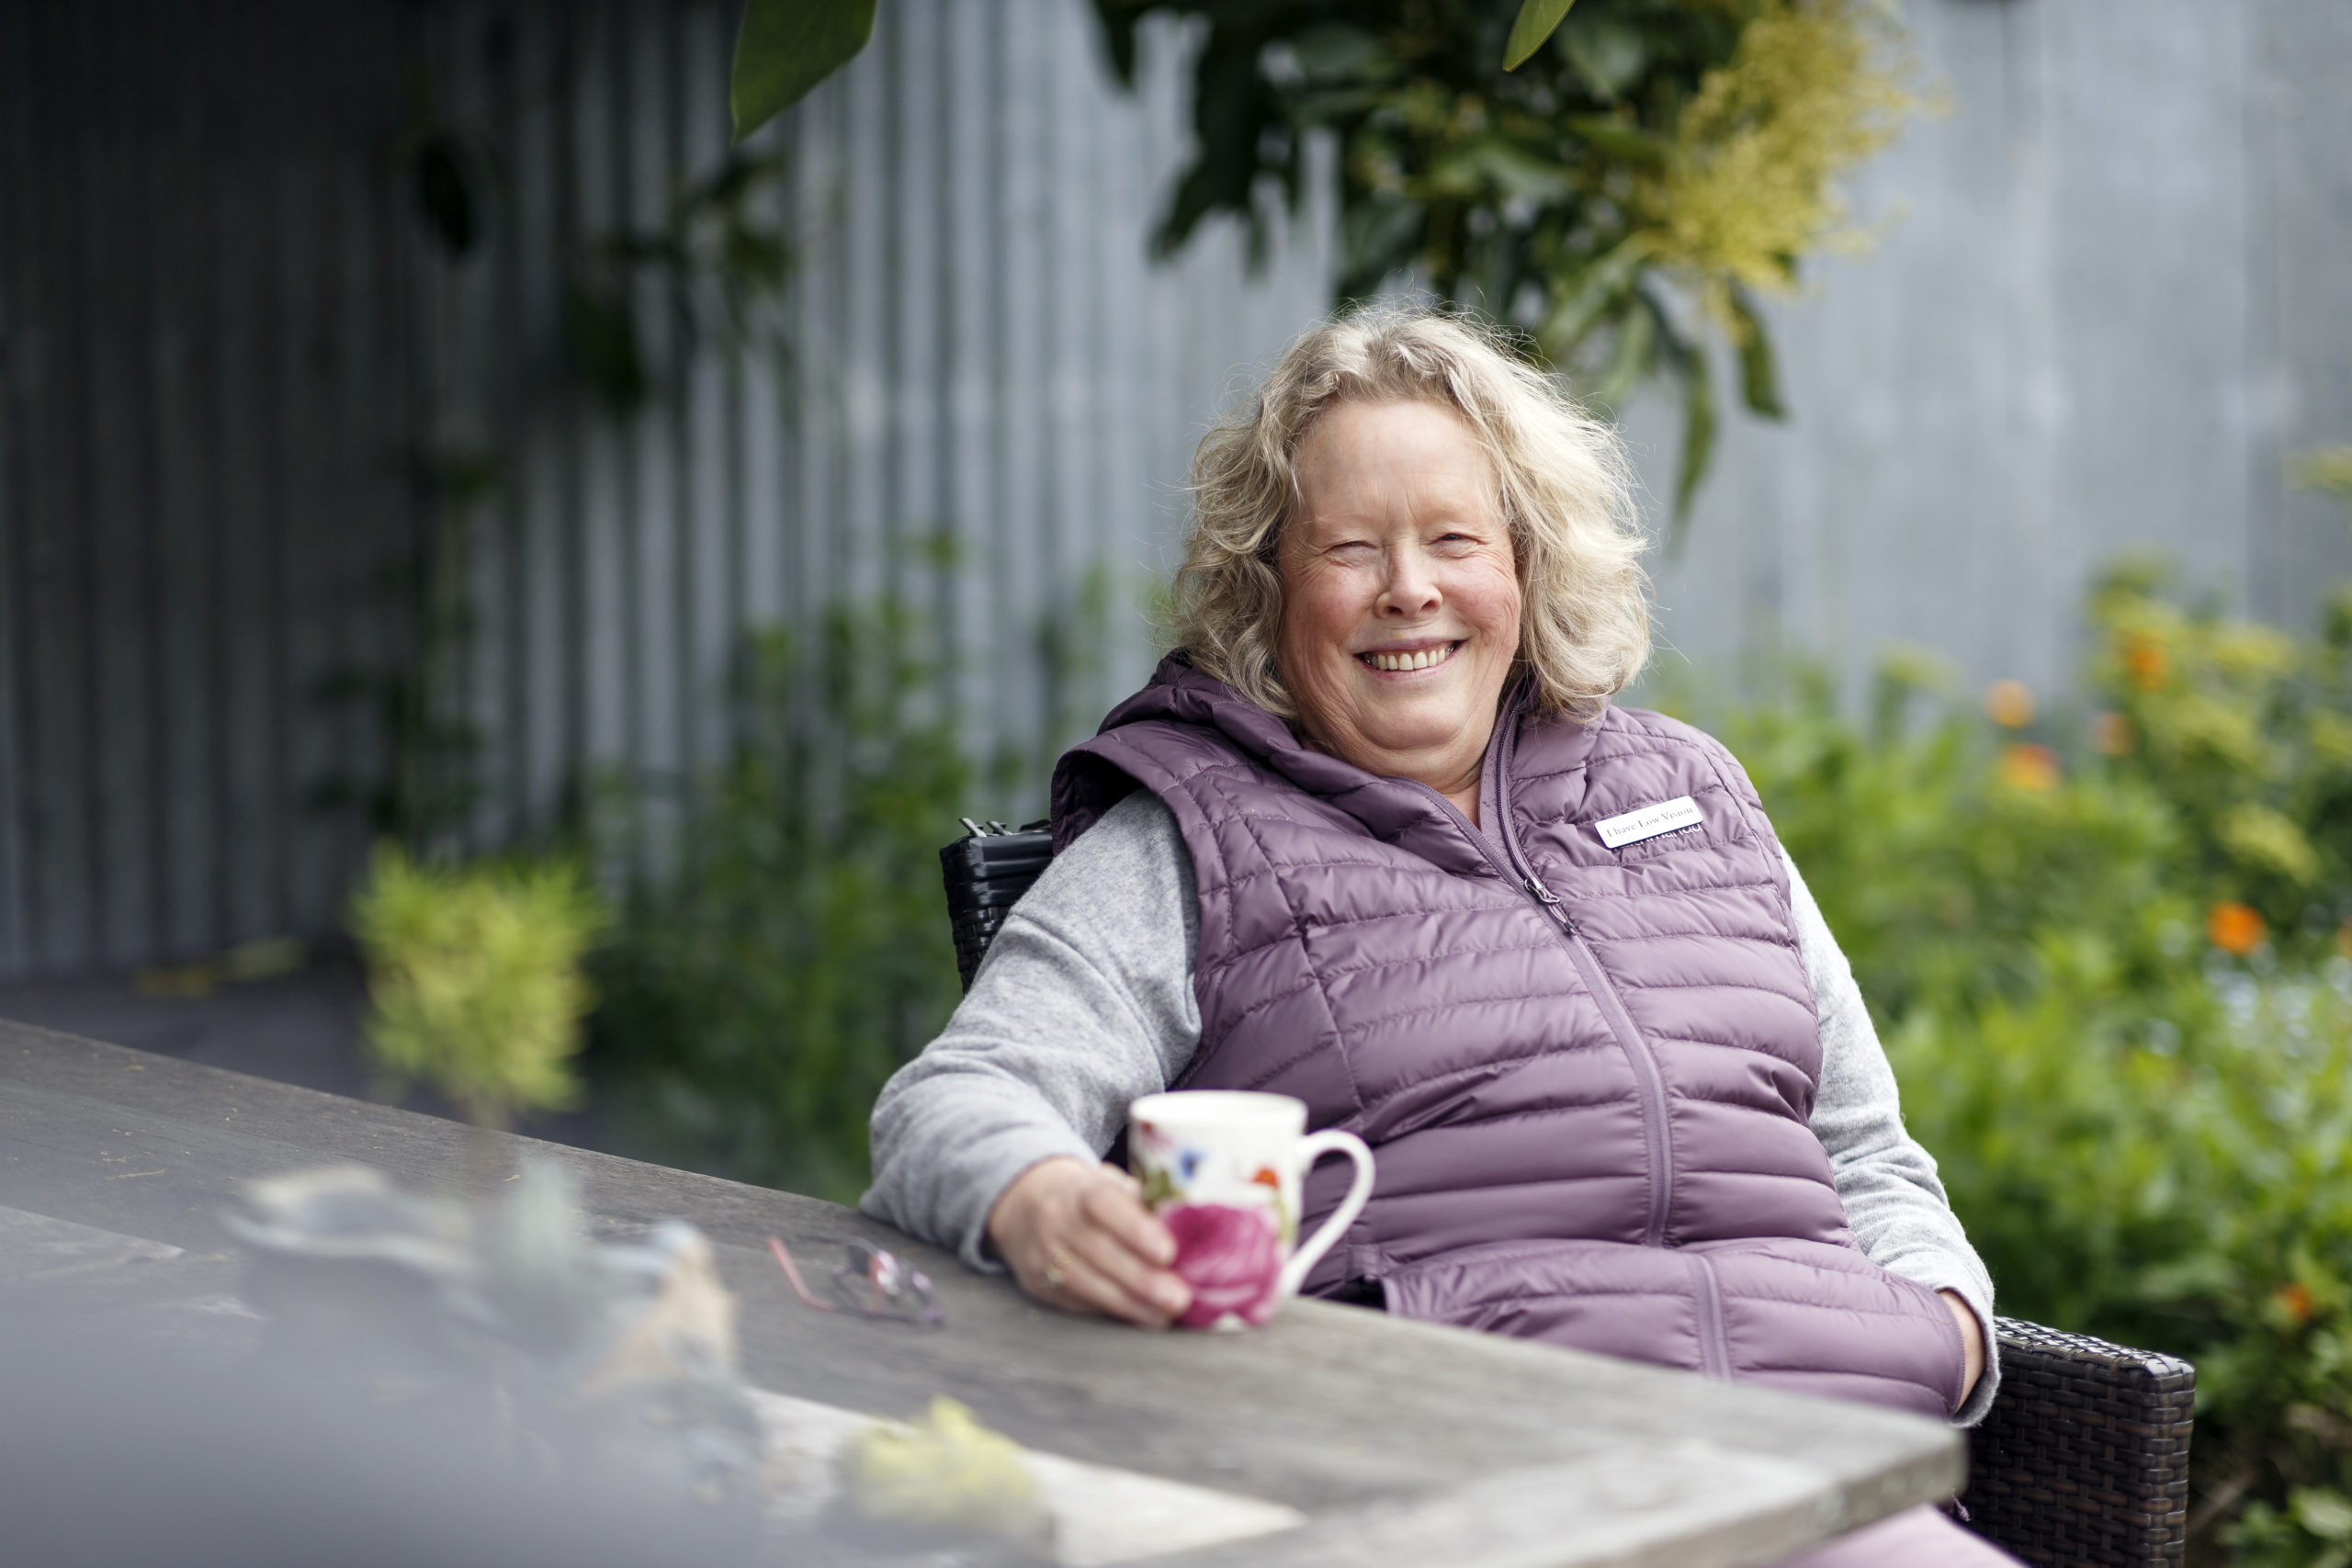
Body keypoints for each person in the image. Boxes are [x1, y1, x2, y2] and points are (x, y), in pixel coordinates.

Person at [864, 309, 2015, 1564]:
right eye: (1350, 548)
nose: (1408, 588)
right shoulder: (1191, 836)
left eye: (1454, 539)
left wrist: (1947, 1320)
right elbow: (955, 1100)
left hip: (1821, 1470)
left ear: (1524, 559)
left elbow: (1865, 1151)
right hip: (1478, 1491)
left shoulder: (1695, 796)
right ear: (1270, 587)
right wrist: (1041, 1199)